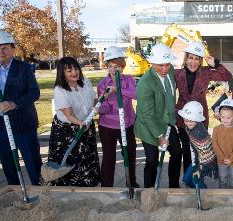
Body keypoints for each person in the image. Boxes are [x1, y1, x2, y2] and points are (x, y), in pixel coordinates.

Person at [0, 30, 42, 185]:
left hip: (23, 122)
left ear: (12, 49)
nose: (0, 51)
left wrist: (13, 103)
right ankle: (15, 193)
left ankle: (41, 193)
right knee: (8, 163)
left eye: (4, 48)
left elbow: (34, 92)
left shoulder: (24, 68)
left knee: (32, 161)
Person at [175, 41, 233, 172]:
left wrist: (215, 64)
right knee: (186, 149)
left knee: (200, 149)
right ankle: (189, 177)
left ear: (200, 61)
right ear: (186, 58)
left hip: (200, 117)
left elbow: (227, 76)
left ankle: (199, 175)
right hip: (183, 117)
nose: (193, 62)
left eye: (196, 59)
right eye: (190, 58)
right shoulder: (178, 74)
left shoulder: (206, 72)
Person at [135, 43, 183, 188]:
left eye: (167, 64)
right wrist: (160, 137)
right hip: (148, 125)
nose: (164, 69)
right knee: (152, 159)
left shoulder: (170, 70)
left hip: (166, 121)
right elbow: (147, 115)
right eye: (160, 65)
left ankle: (173, 186)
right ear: (152, 63)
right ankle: (149, 190)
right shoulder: (145, 83)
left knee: (176, 152)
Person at [47, 57, 100, 186]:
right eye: (69, 70)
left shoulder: (85, 82)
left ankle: (89, 184)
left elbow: (93, 101)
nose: (74, 72)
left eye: (76, 68)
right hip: (67, 130)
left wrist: (97, 106)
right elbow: (68, 114)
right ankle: (68, 188)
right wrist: (80, 123)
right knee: (70, 159)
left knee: (87, 157)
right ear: (62, 73)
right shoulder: (60, 90)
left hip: (86, 125)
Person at [96, 46, 138, 187]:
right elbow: (105, 107)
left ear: (123, 67)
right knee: (108, 158)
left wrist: (118, 89)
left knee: (130, 155)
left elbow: (135, 95)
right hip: (107, 126)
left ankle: (131, 183)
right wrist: (100, 105)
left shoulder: (129, 80)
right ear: (107, 67)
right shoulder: (103, 84)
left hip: (127, 125)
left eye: (117, 67)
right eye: (110, 66)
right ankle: (106, 186)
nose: (114, 70)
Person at [178, 101, 218, 188]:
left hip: (206, 161)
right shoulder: (191, 128)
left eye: (190, 120)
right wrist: (194, 162)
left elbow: (205, 155)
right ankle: (198, 193)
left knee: (194, 179)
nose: (188, 123)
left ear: (197, 119)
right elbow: (193, 146)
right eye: (185, 120)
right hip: (197, 158)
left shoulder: (200, 134)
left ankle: (205, 195)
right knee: (186, 179)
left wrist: (198, 170)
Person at [212, 99, 233, 188]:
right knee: (223, 178)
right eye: (223, 117)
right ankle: (223, 196)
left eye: (228, 118)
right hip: (221, 160)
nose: (225, 120)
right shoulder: (216, 129)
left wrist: (231, 159)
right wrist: (222, 157)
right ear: (219, 116)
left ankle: (232, 196)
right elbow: (215, 144)